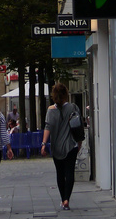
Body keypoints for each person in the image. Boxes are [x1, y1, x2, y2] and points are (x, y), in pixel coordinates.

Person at [41, 82, 82, 211]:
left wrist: (43, 144)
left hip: (56, 147)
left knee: (60, 173)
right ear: (66, 94)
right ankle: (66, 200)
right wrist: (79, 142)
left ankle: (62, 198)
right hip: (71, 145)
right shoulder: (73, 107)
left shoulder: (50, 110)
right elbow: (78, 125)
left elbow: (48, 127)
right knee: (69, 172)